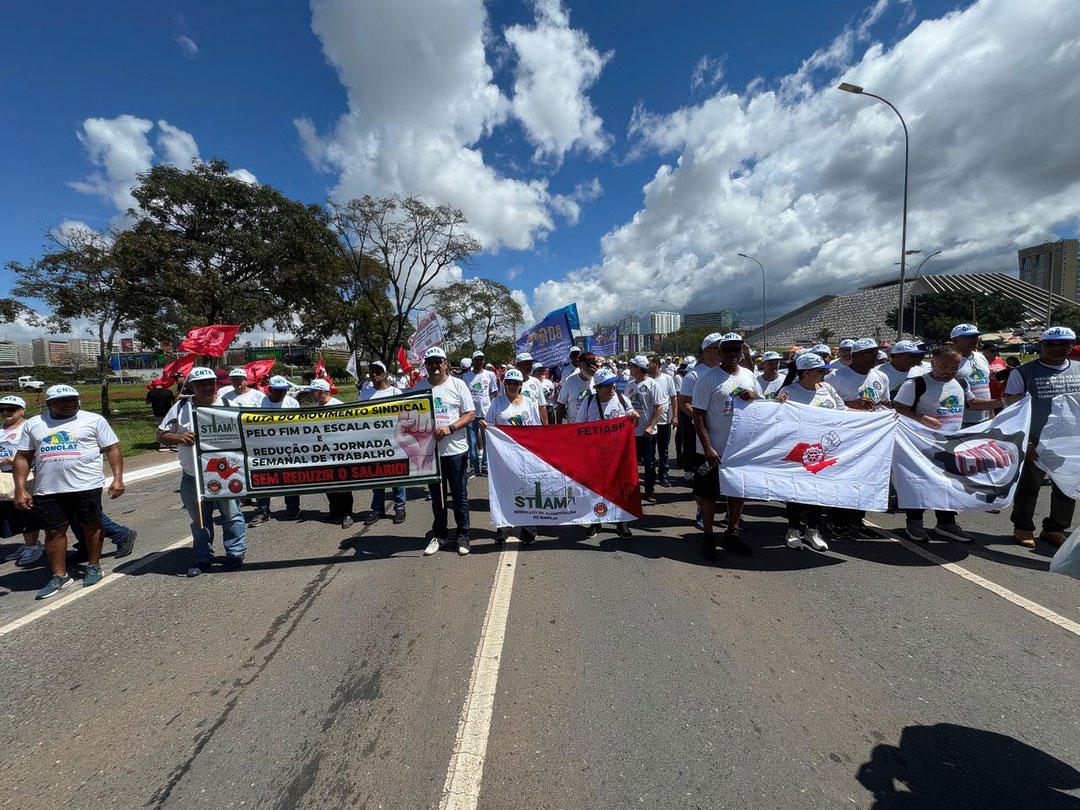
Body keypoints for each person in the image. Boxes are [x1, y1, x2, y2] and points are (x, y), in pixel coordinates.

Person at [13, 384, 124, 599]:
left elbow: (112, 448)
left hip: (86, 484)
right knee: (53, 531)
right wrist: (20, 489)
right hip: (48, 488)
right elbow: (23, 457)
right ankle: (59, 575)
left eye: (73, 399)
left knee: (91, 525)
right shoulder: (35, 424)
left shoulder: (94, 420)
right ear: (49, 404)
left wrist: (117, 479)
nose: (69, 404)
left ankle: (94, 565)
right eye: (62, 401)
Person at [894, 346, 1001, 543]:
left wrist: (1005, 402)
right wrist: (921, 418)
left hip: (950, 444)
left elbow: (974, 404)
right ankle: (914, 522)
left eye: (954, 367)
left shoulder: (961, 382)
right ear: (933, 363)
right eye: (944, 366)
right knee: (919, 484)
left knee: (949, 483)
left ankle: (946, 523)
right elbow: (898, 408)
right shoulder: (916, 384)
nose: (949, 371)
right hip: (920, 445)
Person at [156, 367, 247, 577]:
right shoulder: (181, 408)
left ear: (216, 383)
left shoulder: (230, 407)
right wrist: (178, 437)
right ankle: (203, 558)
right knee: (199, 521)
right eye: (200, 384)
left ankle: (235, 554)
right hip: (193, 476)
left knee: (232, 516)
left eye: (210, 383)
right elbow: (160, 434)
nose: (206, 387)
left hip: (225, 477)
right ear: (191, 386)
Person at [1003, 326, 1080, 548]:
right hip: (1035, 438)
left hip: (1069, 439)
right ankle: (1023, 527)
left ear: (1071, 346)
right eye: (1051, 344)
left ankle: (1055, 528)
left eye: (1064, 344)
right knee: (1029, 486)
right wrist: (1024, 440)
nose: (1058, 348)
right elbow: (1012, 410)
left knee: (1066, 486)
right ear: (1041, 345)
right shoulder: (1022, 372)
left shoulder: (1078, 369)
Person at [691, 333, 761, 559]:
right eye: (727, 349)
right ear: (719, 353)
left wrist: (754, 395)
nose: (732, 354)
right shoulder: (708, 379)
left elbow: (760, 404)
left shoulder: (749, 375)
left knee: (737, 493)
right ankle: (708, 537)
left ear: (742, 351)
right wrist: (708, 447)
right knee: (709, 496)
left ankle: (732, 533)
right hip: (713, 450)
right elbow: (698, 416)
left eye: (736, 349)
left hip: (740, 449)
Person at [774, 353, 843, 551]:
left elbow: (843, 411)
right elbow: (777, 417)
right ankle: (793, 529)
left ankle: (813, 530)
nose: (824, 374)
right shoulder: (789, 391)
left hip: (824, 450)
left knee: (818, 491)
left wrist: (872, 415)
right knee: (796, 491)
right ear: (806, 373)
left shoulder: (827, 388)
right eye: (820, 371)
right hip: (799, 451)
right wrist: (777, 404)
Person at [824, 338, 891, 537]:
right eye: (869, 353)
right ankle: (837, 520)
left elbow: (886, 403)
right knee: (846, 479)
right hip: (847, 436)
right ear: (855, 356)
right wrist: (852, 404)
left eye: (875, 352)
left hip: (874, 437)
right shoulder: (835, 377)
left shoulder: (881, 376)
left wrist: (885, 405)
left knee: (867, 479)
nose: (874, 357)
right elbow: (825, 406)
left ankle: (857, 521)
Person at [413, 347, 476, 556]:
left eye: (438, 362)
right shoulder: (419, 387)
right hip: (431, 454)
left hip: (456, 451)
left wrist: (450, 428)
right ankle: (440, 535)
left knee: (459, 497)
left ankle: (463, 535)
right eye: (430, 362)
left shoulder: (458, 385)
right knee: (437, 498)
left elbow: (470, 414)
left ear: (445, 363)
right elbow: (411, 416)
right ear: (425, 365)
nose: (434, 366)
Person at [481, 368, 541, 545]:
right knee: (505, 491)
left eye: (516, 383)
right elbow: (488, 424)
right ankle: (503, 527)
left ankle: (528, 530)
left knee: (527, 491)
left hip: (525, 455)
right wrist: (483, 425)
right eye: (509, 383)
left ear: (521, 385)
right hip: (504, 457)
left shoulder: (529, 403)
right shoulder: (497, 403)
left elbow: (536, 427)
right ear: (504, 384)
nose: (512, 386)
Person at [575, 368, 636, 539]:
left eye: (613, 383)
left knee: (619, 488)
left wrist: (634, 418)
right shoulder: (588, 402)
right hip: (595, 456)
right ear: (597, 388)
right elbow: (579, 427)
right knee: (596, 490)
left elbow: (633, 423)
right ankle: (596, 521)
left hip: (618, 454)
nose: (612, 387)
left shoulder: (623, 400)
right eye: (607, 385)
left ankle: (621, 522)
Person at [248, 376, 301, 526]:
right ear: (270, 389)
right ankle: (263, 512)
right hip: (265, 448)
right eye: (278, 390)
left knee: (289, 479)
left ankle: (293, 509)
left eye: (284, 390)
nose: (282, 393)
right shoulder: (259, 404)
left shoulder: (292, 403)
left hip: (288, 448)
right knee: (263, 479)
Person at [359, 362, 407, 527]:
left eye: (378, 371)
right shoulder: (365, 394)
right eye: (372, 371)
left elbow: (403, 416)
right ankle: (377, 509)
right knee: (376, 476)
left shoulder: (395, 392)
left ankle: (400, 507)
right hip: (373, 442)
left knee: (396, 475)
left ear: (385, 374)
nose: (375, 374)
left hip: (394, 441)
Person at [305, 378, 358, 528]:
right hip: (323, 453)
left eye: (313, 391)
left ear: (322, 392)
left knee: (343, 485)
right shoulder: (316, 407)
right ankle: (335, 511)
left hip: (339, 453)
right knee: (328, 483)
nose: (310, 394)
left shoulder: (338, 406)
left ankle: (347, 513)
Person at [1, 395, 43, 566]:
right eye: (2, 409)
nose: (5, 412)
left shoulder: (29, 428)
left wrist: (15, 460)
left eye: (10, 409)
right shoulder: (1, 429)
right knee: (8, 512)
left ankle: (33, 546)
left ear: (22, 410)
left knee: (26, 510)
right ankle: (27, 544)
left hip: (25, 475)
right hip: (3, 477)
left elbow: (40, 450)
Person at [679, 335, 722, 485]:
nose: (722, 351)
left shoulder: (726, 371)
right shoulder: (694, 375)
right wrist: (701, 421)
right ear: (707, 351)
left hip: (724, 429)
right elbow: (683, 402)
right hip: (704, 430)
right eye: (718, 348)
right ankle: (700, 491)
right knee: (705, 463)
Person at [626, 356, 663, 503]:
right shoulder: (629, 385)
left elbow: (659, 407)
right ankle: (632, 491)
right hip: (632, 432)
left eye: (632, 366)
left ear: (639, 368)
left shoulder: (653, 384)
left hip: (648, 432)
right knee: (631, 464)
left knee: (649, 463)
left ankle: (649, 491)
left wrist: (650, 426)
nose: (630, 369)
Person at [462, 350, 499, 477]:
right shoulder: (466, 377)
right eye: (476, 360)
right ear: (472, 361)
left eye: (481, 359)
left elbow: (494, 392)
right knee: (472, 442)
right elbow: (463, 396)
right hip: (471, 414)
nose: (479, 362)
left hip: (486, 413)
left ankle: (485, 466)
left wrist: (494, 409)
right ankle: (474, 467)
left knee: (487, 441)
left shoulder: (490, 375)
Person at [950, 324, 994, 425]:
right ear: (955, 340)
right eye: (968, 337)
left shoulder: (981, 357)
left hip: (985, 418)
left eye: (976, 336)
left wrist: (991, 412)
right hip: (963, 420)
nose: (974, 340)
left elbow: (986, 386)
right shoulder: (950, 361)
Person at [648, 354, 678, 487]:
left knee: (663, 449)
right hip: (649, 422)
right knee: (649, 450)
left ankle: (663, 474)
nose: (647, 366)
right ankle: (650, 475)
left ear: (657, 365)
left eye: (650, 363)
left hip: (664, 420)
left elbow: (673, 397)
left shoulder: (667, 378)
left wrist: (675, 416)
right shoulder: (645, 380)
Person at [556, 350, 597, 424]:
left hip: (593, 425)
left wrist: (598, 377)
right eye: (588, 365)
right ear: (580, 365)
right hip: (575, 425)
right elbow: (561, 405)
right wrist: (559, 427)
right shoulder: (569, 382)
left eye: (593, 364)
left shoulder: (598, 380)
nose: (591, 368)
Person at [513, 352, 550, 424]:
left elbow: (541, 406)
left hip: (534, 425)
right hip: (517, 425)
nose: (529, 366)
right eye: (526, 363)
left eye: (531, 363)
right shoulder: (508, 383)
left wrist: (546, 425)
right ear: (517, 365)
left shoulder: (536, 382)